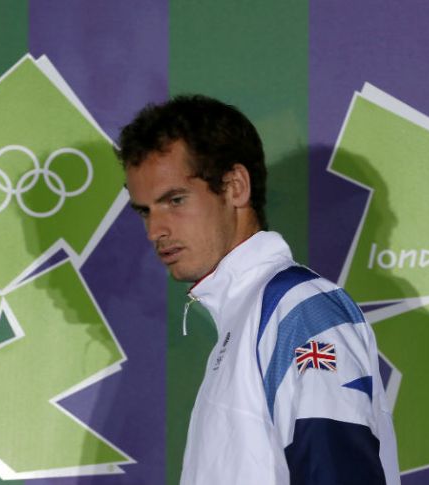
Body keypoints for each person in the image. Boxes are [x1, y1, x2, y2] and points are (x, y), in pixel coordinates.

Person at [117, 95, 400, 485]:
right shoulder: (247, 319)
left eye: (175, 200)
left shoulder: (299, 310)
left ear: (235, 187)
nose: (155, 231)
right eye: (146, 211)